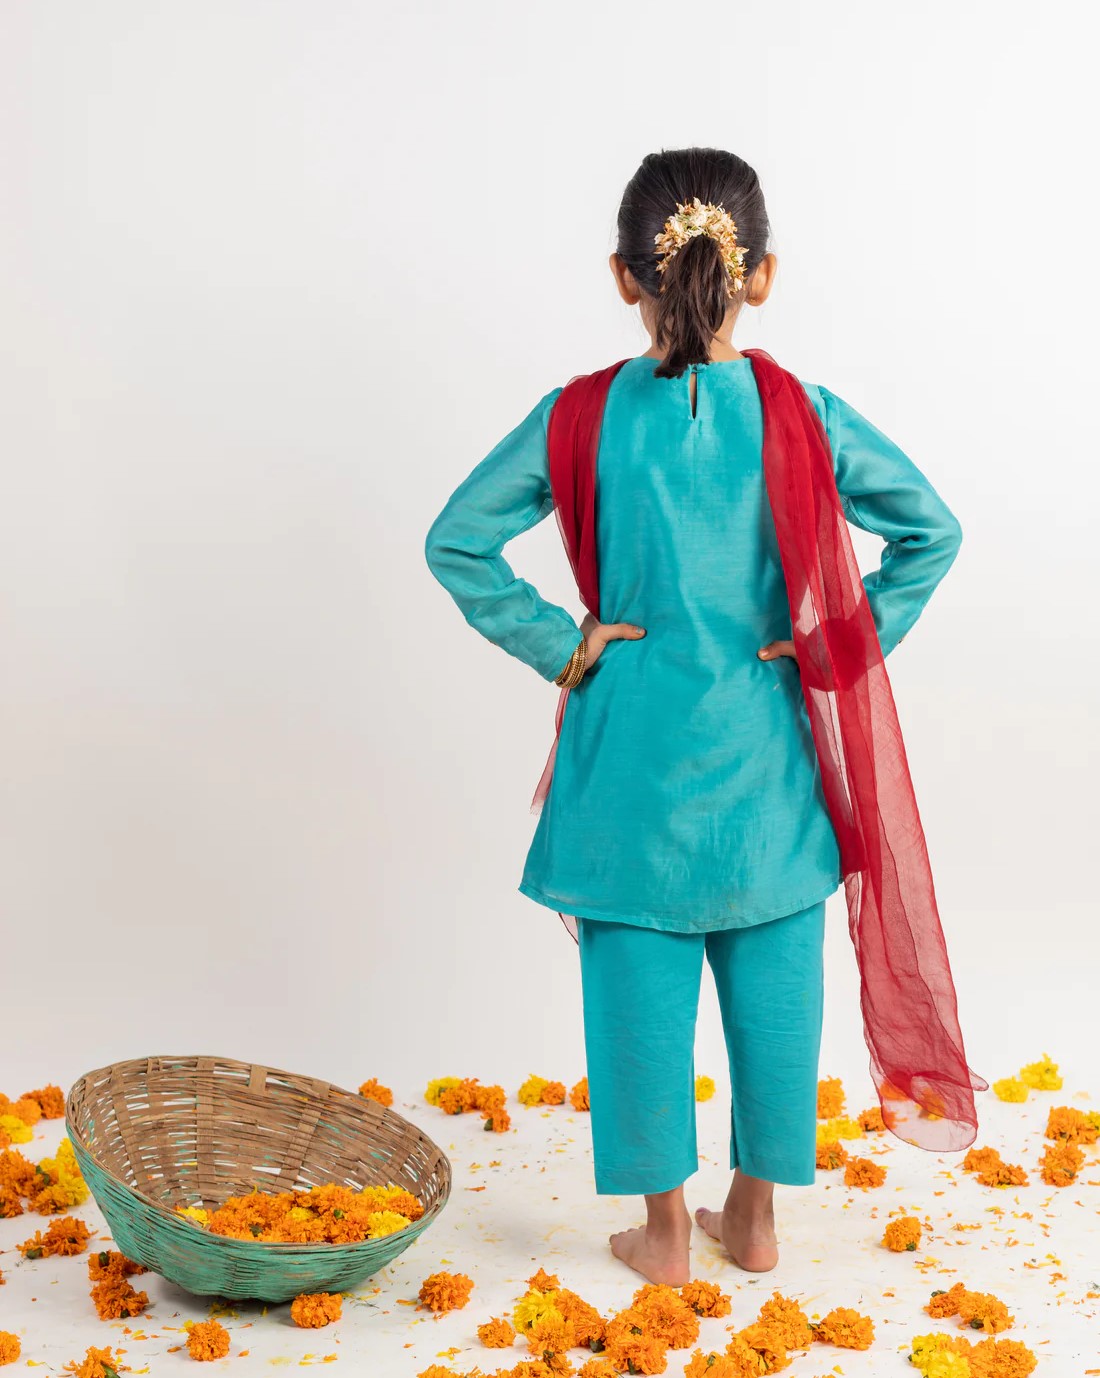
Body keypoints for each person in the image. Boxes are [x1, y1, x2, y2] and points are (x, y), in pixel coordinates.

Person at [424, 147, 964, 1286]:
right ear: (759, 275)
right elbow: (931, 530)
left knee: (636, 995)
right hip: (767, 758)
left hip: (626, 763)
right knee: (778, 988)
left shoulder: (579, 417)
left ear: (624, 276)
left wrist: (563, 643)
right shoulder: (802, 414)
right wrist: (831, 646)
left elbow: (456, 541)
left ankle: (665, 1234)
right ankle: (753, 1219)